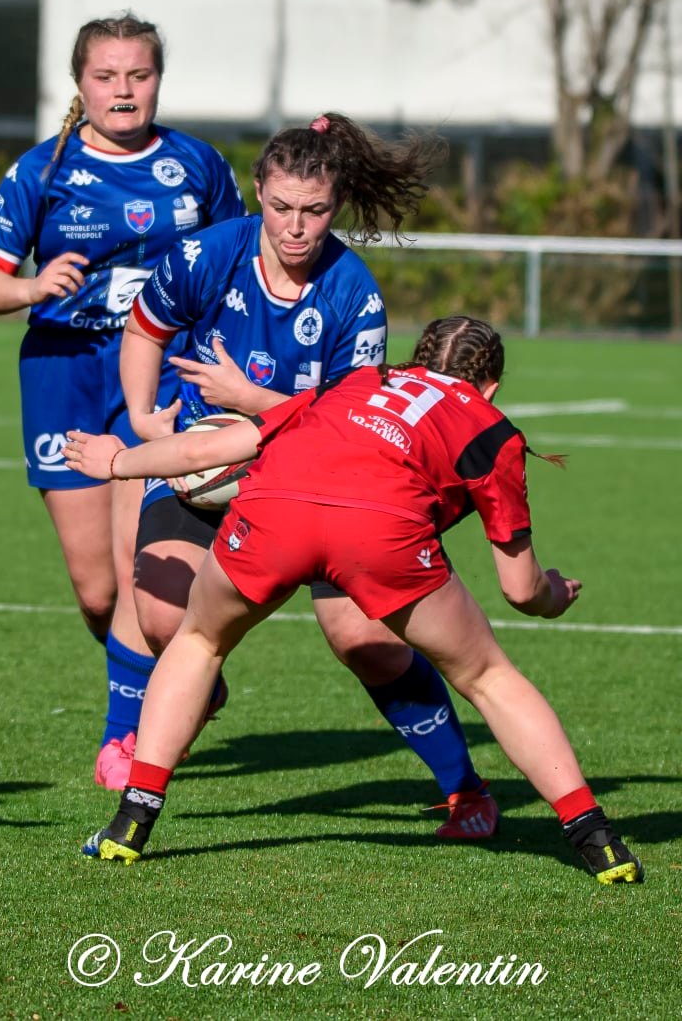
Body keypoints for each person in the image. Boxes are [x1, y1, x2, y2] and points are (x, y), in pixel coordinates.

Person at [64, 316, 644, 885]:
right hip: (381, 533)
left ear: (414, 361)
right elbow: (521, 589)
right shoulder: (492, 428)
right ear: (491, 386)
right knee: (489, 678)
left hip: (276, 509)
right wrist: (554, 594)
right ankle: (596, 840)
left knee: (198, 641)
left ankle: (130, 823)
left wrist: (115, 463)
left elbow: (214, 449)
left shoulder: (353, 381)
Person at [117, 113, 497, 838]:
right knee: (165, 617)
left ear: (337, 204)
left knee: (362, 639)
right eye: (282, 206)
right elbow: (145, 328)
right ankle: (199, 686)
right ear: (257, 189)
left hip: (319, 481)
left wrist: (249, 402)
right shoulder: (202, 254)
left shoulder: (354, 293)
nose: (296, 227)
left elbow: (347, 418)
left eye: (315, 211)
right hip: (206, 471)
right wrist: (141, 417)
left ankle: (464, 787)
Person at [0, 14, 247, 787]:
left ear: (158, 78)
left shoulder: (198, 164)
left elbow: (240, 264)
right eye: (106, 76)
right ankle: (190, 677)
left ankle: (125, 738)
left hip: (155, 376)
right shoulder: (41, 170)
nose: (123, 91)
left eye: (138, 75)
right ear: (79, 82)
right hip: (65, 375)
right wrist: (30, 285)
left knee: (136, 570)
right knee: (94, 590)